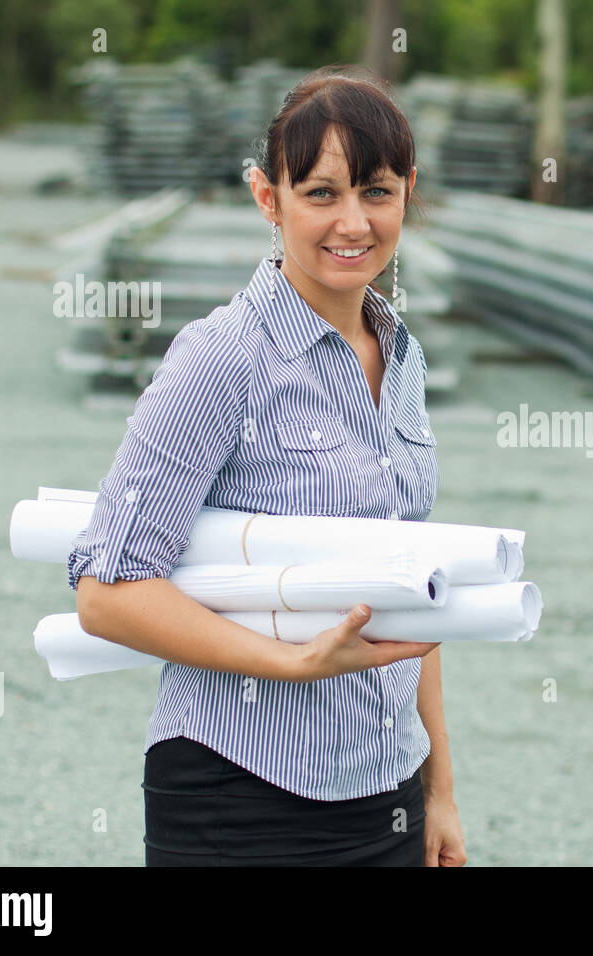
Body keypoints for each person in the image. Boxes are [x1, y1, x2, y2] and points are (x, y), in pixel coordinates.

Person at [68, 65, 467, 867]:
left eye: (377, 191)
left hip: (385, 791)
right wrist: (291, 664)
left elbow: (408, 593)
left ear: (407, 194)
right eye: (320, 193)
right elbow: (107, 590)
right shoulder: (221, 359)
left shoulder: (403, 356)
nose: (352, 222)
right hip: (242, 798)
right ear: (267, 198)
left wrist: (438, 790)